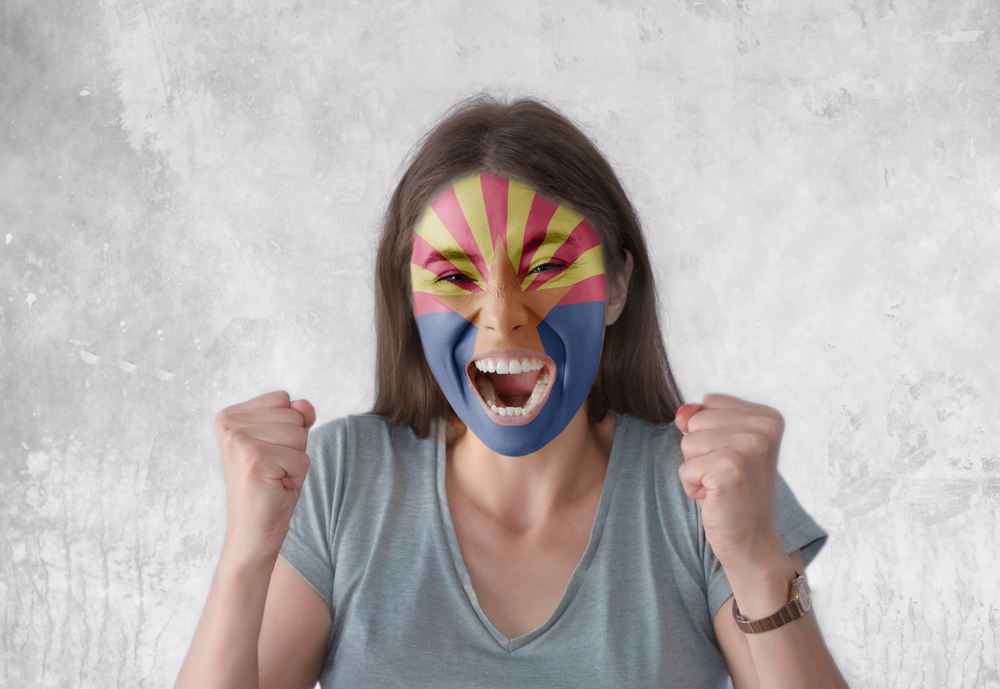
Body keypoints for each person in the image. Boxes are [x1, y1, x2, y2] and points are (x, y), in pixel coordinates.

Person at [174, 96, 849, 688]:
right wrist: (246, 555)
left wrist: (758, 556)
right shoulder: (342, 481)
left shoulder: (701, 489)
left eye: (549, 265)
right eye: (456, 274)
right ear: (410, 301)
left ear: (615, 286)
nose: (503, 315)